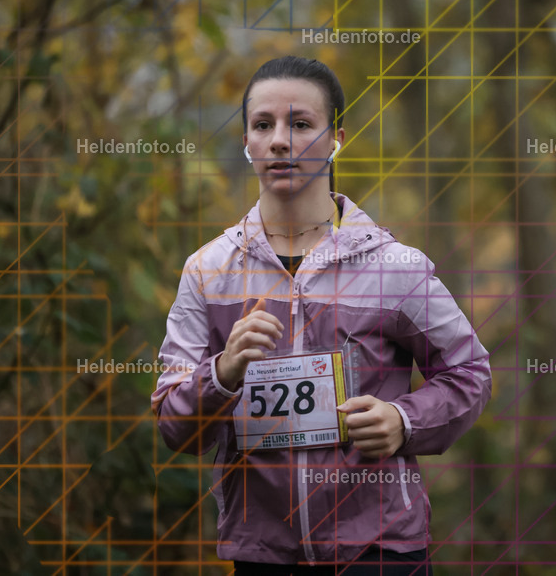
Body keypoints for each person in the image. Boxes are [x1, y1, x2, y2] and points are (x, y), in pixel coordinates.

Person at [151, 56, 492, 575]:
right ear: (247, 142)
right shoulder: (208, 272)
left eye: (301, 124)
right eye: (263, 125)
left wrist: (403, 421)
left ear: (337, 137)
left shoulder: (394, 268)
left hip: (380, 552)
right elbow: (175, 426)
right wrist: (221, 374)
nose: (280, 140)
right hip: (261, 555)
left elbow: (470, 373)